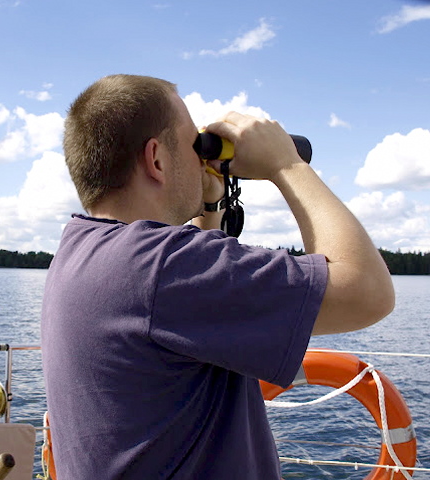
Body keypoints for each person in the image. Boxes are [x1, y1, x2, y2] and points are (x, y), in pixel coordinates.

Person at [40, 74, 395, 479]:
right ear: (156, 159)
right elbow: (367, 291)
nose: (201, 157)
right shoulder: (161, 267)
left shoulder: (81, 251)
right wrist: (286, 164)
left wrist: (209, 205)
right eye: (194, 143)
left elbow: (185, 315)